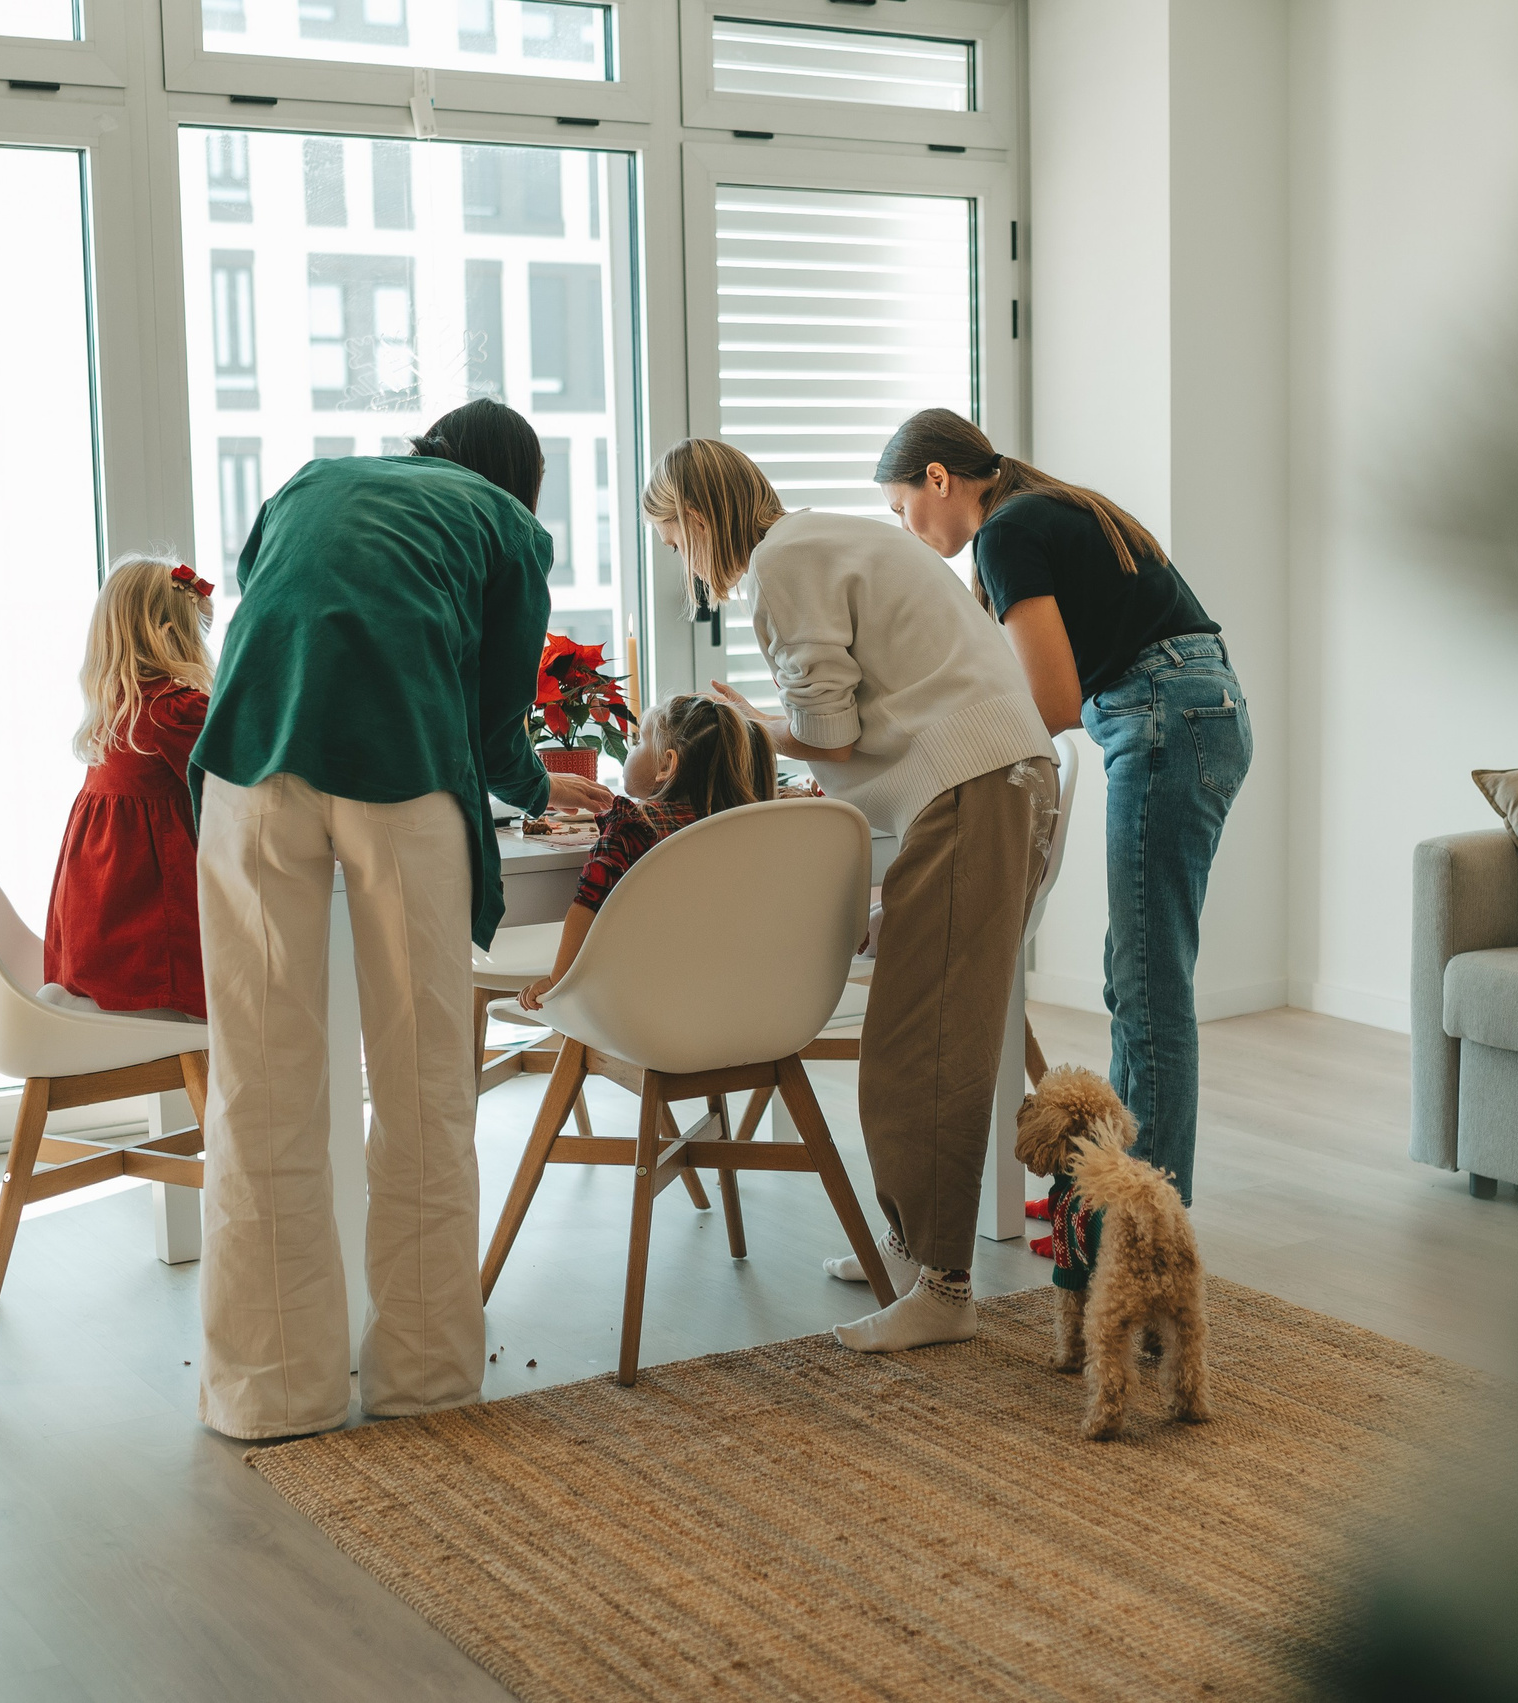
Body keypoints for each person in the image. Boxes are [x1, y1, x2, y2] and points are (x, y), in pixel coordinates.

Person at [190, 402, 611, 1440]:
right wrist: (534, 787)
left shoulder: (308, 483)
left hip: (247, 764)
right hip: (399, 771)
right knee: (423, 1080)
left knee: (259, 1079)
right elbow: (492, 711)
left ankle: (269, 1387)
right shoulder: (505, 525)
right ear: (521, 476)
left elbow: (271, 608)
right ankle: (421, 1377)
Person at [642, 438, 1057, 1354]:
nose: (681, 563)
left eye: (674, 542)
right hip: (994, 778)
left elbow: (829, 732)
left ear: (701, 521)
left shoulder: (784, 562)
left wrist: (756, 725)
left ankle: (942, 1288)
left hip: (974, 788)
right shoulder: (825, 539)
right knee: (926, 1033)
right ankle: (916, 1252)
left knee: (923, 1046)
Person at [874, 408, 1250, 1206]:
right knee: (1139, 976)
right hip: (1190, 709)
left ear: (937, 480)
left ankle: (1139, 1214)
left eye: (903, 508)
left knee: (1148, 986)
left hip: (1162, 717)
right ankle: (1113, 1188)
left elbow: (1049, 698)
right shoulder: (1049, 508)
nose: (907, 530)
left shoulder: (1008, 533)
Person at [517, 694, 779, 1010]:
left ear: (667, 765)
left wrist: (557, 980)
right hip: (733, 999)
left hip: (641, 1002)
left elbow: (586, 908)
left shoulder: (632, 826)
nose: (631, 749)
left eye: (639, 742)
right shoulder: (749, 828)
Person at [41, 554, 215, 1023]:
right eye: (195, 631)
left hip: (97, 943)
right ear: (169, 634)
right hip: (145, 953)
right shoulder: (173, 711)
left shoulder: (117, 710)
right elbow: (239, 787)